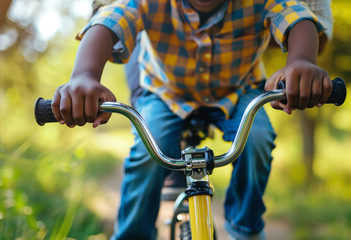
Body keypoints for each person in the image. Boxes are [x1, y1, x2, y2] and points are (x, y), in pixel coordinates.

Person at [51, 0, 332, 239]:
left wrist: (302, 62)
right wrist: (84, 76)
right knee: (149, 148)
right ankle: (133, 233)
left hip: (237, 92)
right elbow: (110, 20)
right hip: (166, 93)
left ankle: (244, 228)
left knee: (257, 137)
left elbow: (296, 15)